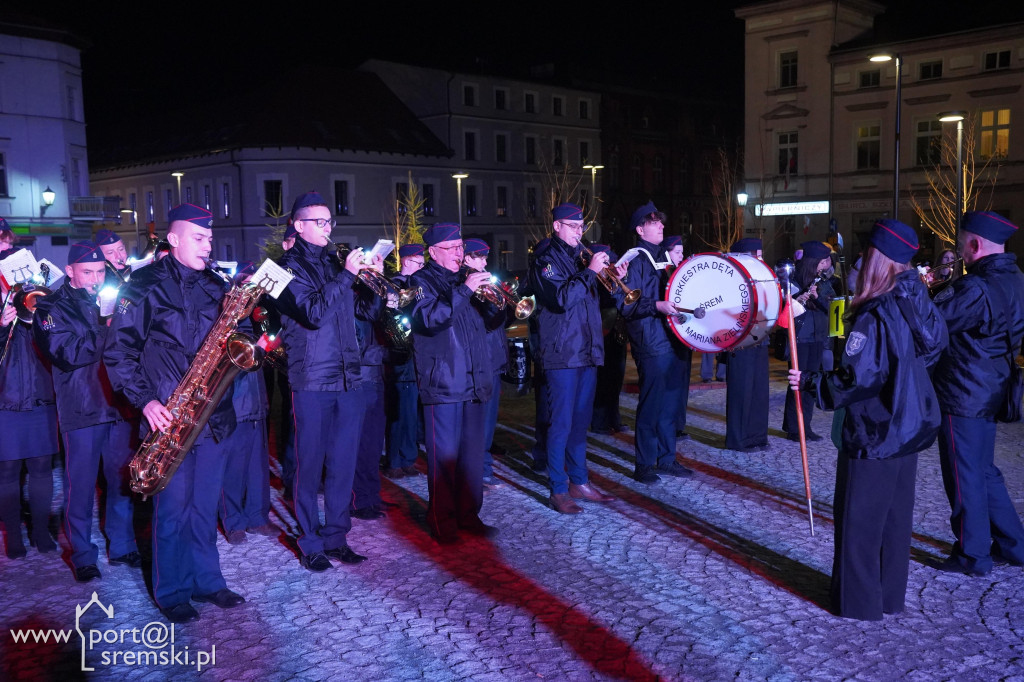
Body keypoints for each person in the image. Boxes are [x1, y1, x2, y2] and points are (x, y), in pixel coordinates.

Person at [789, 219, 947, 621]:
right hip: (907, 427)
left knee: (859, 522)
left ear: (878, 259)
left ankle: (859, 603)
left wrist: (811, 382)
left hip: (875, 431)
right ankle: (889, 596)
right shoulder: (916, 300)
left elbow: (859, 377)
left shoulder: (876, 312)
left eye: (866, 253)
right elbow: (932, 349)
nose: (861, 259)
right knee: (894, 521)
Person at [103, 204, 246, 623]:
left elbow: (238, 337)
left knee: (204, 508)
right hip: (169, 416)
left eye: (210, 239)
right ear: (174, 239)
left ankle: (208, 581)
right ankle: (173, 592)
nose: (208, 246)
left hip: (213, 415)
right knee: (172, 511)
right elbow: (119, 353)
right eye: (199, 238)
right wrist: (146, 401)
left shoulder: (217, 285)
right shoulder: (143, 285)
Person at [272, 191, 373, 571]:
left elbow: (366, 311)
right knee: (308, 466)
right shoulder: (280, 269)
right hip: (312, 378)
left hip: (348, 377)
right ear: (298, 226)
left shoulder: (334, 264)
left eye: (330, 221)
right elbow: (312, 312)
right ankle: (310, 541)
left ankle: (336, 537)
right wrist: (347, 275)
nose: (327, 227)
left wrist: (369, 281)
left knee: (343, 465)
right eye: (319, 221)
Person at [32, 241, 139, 581]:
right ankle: (82, 555)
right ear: (70, 272)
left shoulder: (114, 300)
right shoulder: (50, 308)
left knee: (122, 481)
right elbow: (66, 354)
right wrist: (107, 326)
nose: (95, 279)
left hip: (117, 405)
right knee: (80, 487)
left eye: (100, 272)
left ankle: (122, 546)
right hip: (81, 409)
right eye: (87, 272)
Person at [932, 211, 1024, 576]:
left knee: (964, 475)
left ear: (974, 244)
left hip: (963, 391)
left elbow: (932, 322)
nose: (959, 252)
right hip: (992, 387)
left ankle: (972, 555)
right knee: (984, 472)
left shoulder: (975, 288)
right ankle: (1014, 545)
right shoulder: (1017, 279)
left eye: (961, 245)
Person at [406, 223, 501, 543]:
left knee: (471, 457)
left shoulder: (465, 279)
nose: (460, 253)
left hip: (474, 379)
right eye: (453, 248)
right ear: (434, 252)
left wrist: (498, 302)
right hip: (443, 380)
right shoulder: (419, 281)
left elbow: (491, 323)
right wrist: (466, 291)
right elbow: (430, 319)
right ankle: (442, 520)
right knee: (444, 459)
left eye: (461, 247)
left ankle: (469, 514)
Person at [529, 203, 620, 512]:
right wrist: (591, 271)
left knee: (581, 423)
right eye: (573, 226)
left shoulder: (581, 257)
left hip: (587, 349)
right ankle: (558, 488)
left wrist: (611, 278)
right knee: (561, 424)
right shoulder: (545, 261)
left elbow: (598, 299)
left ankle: (579, 481)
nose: (579, 232)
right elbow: (561, 298)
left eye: (582, 227)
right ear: (557, 226)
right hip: (562, 353)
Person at [618, 202, 694, 484]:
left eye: (661, 221)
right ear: (640, 230)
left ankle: (667, 458)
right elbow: (626, 305)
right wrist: (657, 306)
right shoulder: (635, 260)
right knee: (652, 404)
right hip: (650, 340)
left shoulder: (664, 257)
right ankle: (644, 463)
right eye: (654, 222)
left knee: (670, 403)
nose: (662, 225)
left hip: (672, 337)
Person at [0, 244, 58, 560]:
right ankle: (13, 534)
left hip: (41, 396)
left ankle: (41, 531)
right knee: (7, 470)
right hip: (5, 401)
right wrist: (2, 327)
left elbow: (55, 346)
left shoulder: (36, 298)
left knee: (41, 467)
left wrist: (44, 317)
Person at [219, 262, 276, 544]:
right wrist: (258, 349)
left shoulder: (257, 317)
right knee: (233, 468)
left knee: (257, 466)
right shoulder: (227, 319)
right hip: (236, 403)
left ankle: (258, 517)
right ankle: (234, 522)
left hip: (256, 402)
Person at [462, 238, 512, 491]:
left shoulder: (485, 283)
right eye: (479, 257)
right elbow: (484, 324)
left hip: (494, 358)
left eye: (485, 258)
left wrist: (508, 303)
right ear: (466, 258)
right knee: (477, 422)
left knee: (489, 422)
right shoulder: (466, 285)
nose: (484, 263)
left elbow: (502, 323)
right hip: (479, 361)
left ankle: (483, 467)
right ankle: (476, 471)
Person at [782, 240, 834, 441]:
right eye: (822, 262)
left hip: (817, 337)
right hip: (800, 338)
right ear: (813, 262)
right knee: (797, 383)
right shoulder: (793, 280)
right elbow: (785, 309)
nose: (825, 265)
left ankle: (806, 426)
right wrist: (800, 299)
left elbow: (831, 307)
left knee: (810, 381)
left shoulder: (823, 281)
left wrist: (818, 297)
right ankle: (794, 428)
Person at [724, 238, 771, 452]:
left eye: (760, 254)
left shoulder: (762, 277)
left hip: (760, 338)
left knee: (759, 390)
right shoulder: (730, 278)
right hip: (740, 340)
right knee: (741, 391)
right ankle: (738, 439)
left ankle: (757, 436)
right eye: (755, 255)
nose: (760, 259)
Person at [384, 244, 425, 478]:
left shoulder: (419, 284)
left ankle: (409, 457)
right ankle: (394, 461)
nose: (422, 267)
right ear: (407, 262)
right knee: (399, 410)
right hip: (399, 351)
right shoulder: (393, 284)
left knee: (411, 411)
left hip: (417, 350)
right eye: (419, 263)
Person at [590, 244, 628, 436]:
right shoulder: (592, 279)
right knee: (602, 380)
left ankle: (614, 418)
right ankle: (598, 421)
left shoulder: (612, 278)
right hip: (601, 332)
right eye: (607, 262)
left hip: (616, 332)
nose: (610, 266)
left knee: (616, 378)